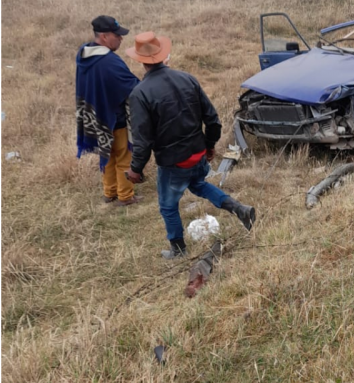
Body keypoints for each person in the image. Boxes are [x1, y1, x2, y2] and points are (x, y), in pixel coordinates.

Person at [123, 32, 256, 259]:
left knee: (167, 206)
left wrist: (136, 169)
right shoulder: (187, 78)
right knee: (197, 184)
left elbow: (142, 139)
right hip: (197, 152)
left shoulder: (139, 94)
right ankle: (239, 209)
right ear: (164, 55)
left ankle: (178, 249)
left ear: (140, 60)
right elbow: (212, 118)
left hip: (174, 160)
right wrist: (209, 145)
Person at [75, 16, 141, 206]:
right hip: (114, 118)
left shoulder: (84, 53)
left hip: (94, 117)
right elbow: (133, 87)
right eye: (117, 36)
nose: (121, 39)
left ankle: (109, 192)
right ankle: (126, 196)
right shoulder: (109, 61)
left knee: (107, 155)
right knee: (123, 156)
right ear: (104, 36)